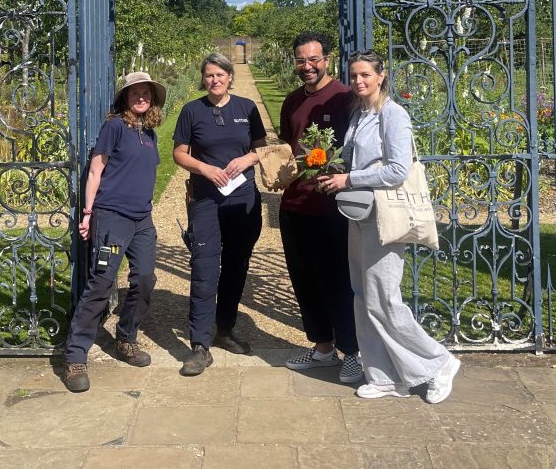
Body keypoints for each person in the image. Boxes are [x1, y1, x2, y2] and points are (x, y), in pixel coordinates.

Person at [316, 50, 461, 403]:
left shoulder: (393, 115)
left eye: (365, 74)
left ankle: (439, 362)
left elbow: (398, 169)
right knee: (364, 297)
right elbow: (355, 159)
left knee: (385, 298)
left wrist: (349, 178)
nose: (358, 81)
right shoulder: (359, 114)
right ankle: (382, 376)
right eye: (353, 75)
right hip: (361, 215)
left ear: (381, 76)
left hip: (385, 216)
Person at [62, 71, 166, 393]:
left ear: (152, 98)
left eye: (145, 92)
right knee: (102, 282)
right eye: (134, 92)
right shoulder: (114, 127)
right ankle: (76, 356)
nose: (140, 97)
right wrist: (88, 213)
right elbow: (95, 171)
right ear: (125, 97)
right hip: (112, 217)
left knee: (146, 279)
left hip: (142, 220)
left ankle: (126, 338)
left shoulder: (149, 133)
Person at [173, 53, 266, 376]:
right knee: (204, 267)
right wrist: (205, 168)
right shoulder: (192, 111)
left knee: (236, 266)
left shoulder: (246, 109)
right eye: (209, 75)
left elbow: (261, 148)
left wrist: (248, 160)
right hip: (206, 199)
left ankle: (224, 329)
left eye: (220, 75)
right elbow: (179, 153)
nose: (214, 80)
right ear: (204, 78)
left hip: (243, 200)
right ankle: (200, 345)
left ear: (229, 77)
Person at [278, 32, 362, 383]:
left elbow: (362, 146)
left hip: (331, 207)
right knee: (305, 281)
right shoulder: (292, 100)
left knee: (337, 282)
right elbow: (287, 145)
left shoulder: (346, 97)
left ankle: (352, 352)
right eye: (301, 59)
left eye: (314, 59)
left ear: (327, 59)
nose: (307, 66)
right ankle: (323, 348)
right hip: (295, 205)